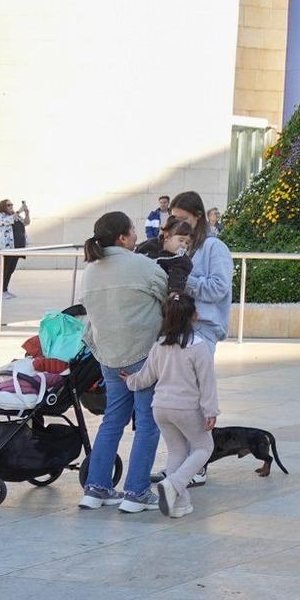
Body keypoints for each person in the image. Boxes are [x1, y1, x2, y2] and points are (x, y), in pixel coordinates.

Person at [78, 211, 169, 511]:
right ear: (122, 237)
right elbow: (167, 295)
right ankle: (137, 492)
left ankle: (96, 488)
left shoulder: (90, 270)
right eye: (133, 231)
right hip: (142, 355)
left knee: (112, 420)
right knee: (147, 422)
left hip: (108, 356)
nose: (136, 236)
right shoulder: (142, 266)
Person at [125, 289, 219, 519]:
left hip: (160, 408)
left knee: (177, 451)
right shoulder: (197, 346)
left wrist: (130, 381)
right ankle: (173, 483)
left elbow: (146, 376)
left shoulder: (159, 345)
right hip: (186, 408)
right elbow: (207, 381)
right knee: (204, 448)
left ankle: (179, 504)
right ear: (194, 316)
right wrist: (211, 410)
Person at [169, 192, 234, 342]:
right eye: (174, 218)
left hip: (203, 328)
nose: (178, 223)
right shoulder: (180, 246)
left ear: (198, 216)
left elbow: (219, 288)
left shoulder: (215, 246)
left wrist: (183, 280)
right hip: (178, 326)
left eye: (183, 218)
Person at [0, 200, 22, 297]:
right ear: (3, 206)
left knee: (10, 269)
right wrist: (19, 211)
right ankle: (0, 291)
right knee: (3, 270)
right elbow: (6, 221)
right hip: (3, 248)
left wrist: (26, 213)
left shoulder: (14, 215)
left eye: (12, 204)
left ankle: (5, 289)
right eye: (8, 205)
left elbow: (26, 222)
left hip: (14, 247)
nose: (11, 206)